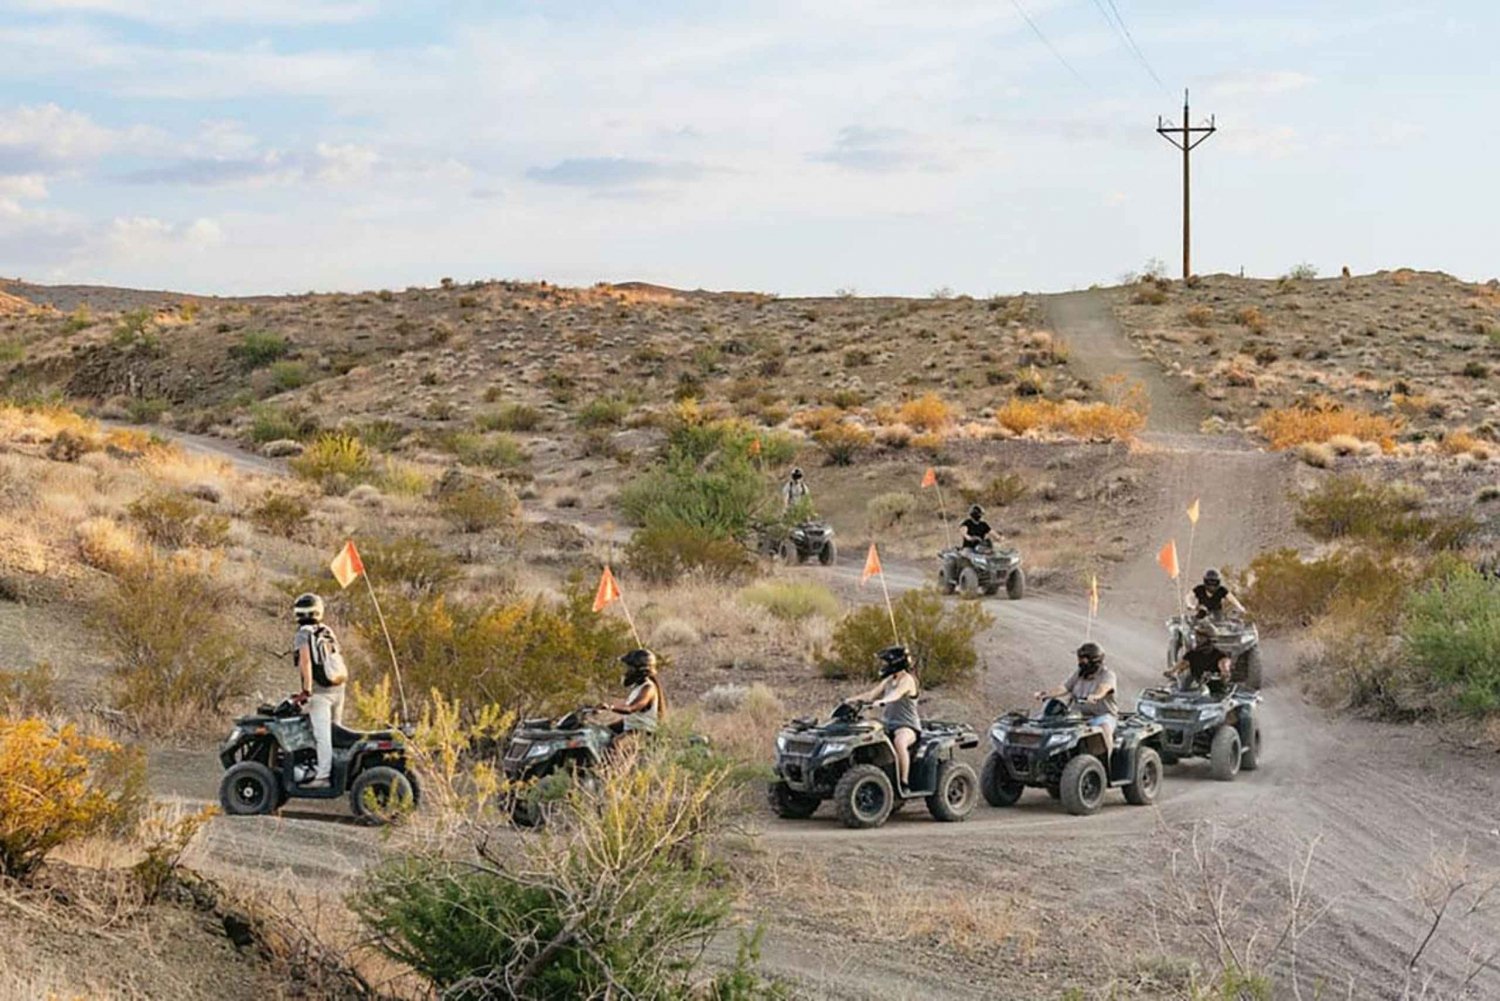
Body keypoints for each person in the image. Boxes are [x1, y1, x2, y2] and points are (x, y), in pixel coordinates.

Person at [846, 646, 921, 791]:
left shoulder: (908, 680)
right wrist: (851, 700)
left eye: (887, 662)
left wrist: (882, 701)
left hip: (907, 726)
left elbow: (897, 694)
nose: (884, 666)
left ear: (896, 663)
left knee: (900, 742)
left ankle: (904, 782)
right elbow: (871, 694)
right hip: (887, 724)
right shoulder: (889, 680)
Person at [292, 593, 347, 789]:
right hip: (338, 688)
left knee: (322, 736)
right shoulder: (326, 630)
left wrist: (306, 690)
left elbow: (305, 661)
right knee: (335, 732)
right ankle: (339, 772)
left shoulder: (303, 634)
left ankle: (322, 777)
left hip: (320, 693)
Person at [1034, 642, 1119, 749]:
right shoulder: (1079, 674)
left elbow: (1104, 688)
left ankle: (1106, 763)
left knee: (1104, 729)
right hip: (1077, 716)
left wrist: (1096, 696)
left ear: (1093, 661)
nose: (1079, 662)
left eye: (1082, 659)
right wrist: (1046, 694)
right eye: (1079, 658)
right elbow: (1063, 688)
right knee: (1046, 724)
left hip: (1101, 715)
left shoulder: (1107, 674)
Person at [601, 649, 665, 739]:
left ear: (640, 670)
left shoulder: (648, 689)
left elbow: (631, 708)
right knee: (600, 733)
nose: (626, 672)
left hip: (643, 732)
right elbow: (635, 717)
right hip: (631, 728)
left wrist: (610, 707)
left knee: (616, 744)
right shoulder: (638, 686)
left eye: (629, 668)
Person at [1170, 623, 1233, 694]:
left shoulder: (1220, 656)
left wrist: (1224, 674)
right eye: (1197, 636)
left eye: (1201, 637)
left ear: (1210, 640)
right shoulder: (1192, 655)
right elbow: (1182, 665)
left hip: (1216, 692)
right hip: (1197, 691)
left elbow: (1224, 668)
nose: (1197, 639)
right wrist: (1173, 672)